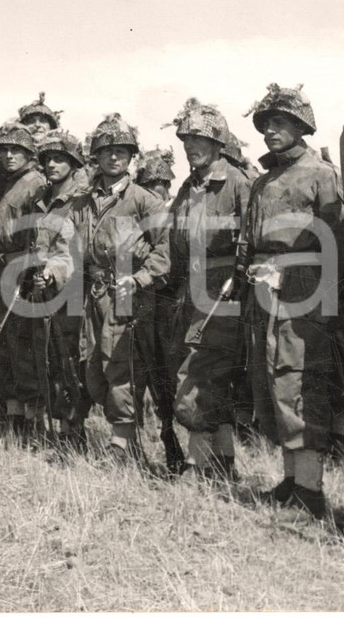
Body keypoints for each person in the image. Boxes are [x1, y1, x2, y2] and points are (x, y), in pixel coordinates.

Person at [237, 84, 344, 518]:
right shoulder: (263, 181)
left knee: (299, 383)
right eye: (266, 126)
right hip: (262, 291)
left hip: (304, 293)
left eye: (280, 124)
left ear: (301, 127)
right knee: (268, 381)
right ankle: (289, 480)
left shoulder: (320, 174)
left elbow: (334, 239)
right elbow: (249, 239)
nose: (270, 133)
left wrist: (298, 274)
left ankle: (311, 490)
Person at [69, 114, 170, 463]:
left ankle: (122, 447)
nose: (115, 157)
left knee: (121, 366)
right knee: (94, 366)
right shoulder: (82, 204)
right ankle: (123, 439)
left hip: (129, 295)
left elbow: (165, 250)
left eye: (122, 151)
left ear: (132, 157)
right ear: (95, 156)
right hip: (93, 295)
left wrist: (140, 278)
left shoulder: (144, 201)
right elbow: (65, 246)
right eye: (107, 151)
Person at [165, 99, 251, 479]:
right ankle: (224, 461)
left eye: (198, 139)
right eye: (186, 139)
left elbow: (252, 239)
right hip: (191, 288)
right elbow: (171, 245)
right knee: (210, 374)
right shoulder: (188, 188)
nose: (190, 146)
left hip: (224, 291)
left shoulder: (237, 183)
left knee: (197, 373)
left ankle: (195, 465)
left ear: (218, 143)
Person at [0, 121, 48, 437]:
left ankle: (32, 419)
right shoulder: (10, 182)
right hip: (5, 270)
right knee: (4, 344)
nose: (9, 155)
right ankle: (13, 415)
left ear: (30, 153)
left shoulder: (36, 183)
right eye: (4, 150)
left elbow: (39, 231)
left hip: (23, 272)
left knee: (23, 344)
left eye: (17, 150)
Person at [29, 130, 86, 448]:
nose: (52, 164)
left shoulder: (78, 201)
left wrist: (51, 273)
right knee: (49, 357)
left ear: (74, 164)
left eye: (60, 159)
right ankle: (57, 429)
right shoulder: (44, 199)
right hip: (45, 290)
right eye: (47, 159)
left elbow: (71, 251)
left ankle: (73, 430)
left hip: (69, 291)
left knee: (68, 359)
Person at [133, 146, 188, 473]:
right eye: (150, 184)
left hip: (171, 303)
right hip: (145, 304)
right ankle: (167, 439)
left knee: (172, 376)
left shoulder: (176, 215)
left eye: (162, 183)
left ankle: (181, 444)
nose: (158, 189)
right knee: (153, 377)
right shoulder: (138, 216)